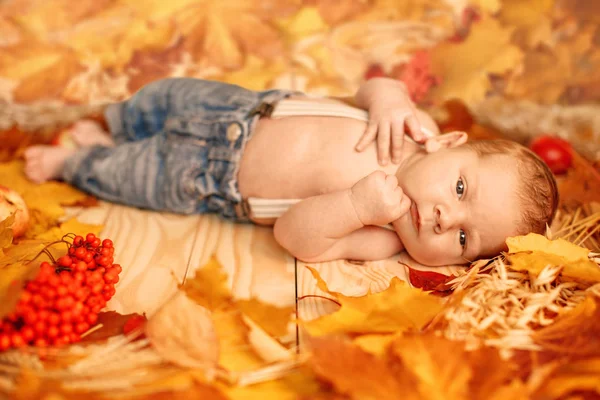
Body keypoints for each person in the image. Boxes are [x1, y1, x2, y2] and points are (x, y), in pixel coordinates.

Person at [23, 77, 558, 266]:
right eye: (461, 187)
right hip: (236, 108)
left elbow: (296, 236)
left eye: (464, 237)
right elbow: (369, 89)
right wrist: (390, 96)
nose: (444, 217)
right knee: (159, 98)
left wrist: (355, 207)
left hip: (203, 178)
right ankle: (115, 123)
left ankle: (79, 161)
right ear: (448, 142)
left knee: (131, 176)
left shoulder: (380, 237)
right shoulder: (412, 128)